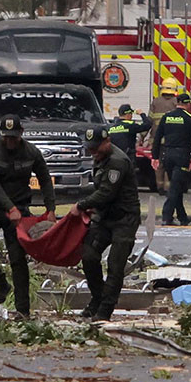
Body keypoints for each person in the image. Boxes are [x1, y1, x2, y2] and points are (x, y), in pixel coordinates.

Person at [0, 114, 55, 319]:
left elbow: (44, 178)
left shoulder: (31, 152)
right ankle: (0, 283)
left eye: (14, 138)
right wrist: (9, 207)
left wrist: (50, 209)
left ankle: (23, 310)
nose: (10, 142)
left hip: (20, 209)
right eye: (6, 137)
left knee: (18, 259)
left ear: (21, 134)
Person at [69, 127, 140, 322]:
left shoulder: (117, 161)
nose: (94, 153)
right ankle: (98, 299)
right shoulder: (100, 157)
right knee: (89, 255)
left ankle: (104, 310)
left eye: (97, 148)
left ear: (107, 142)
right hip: (104, 217)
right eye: (91, 149)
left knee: (115, 265)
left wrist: (82, 205)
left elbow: (106, 192)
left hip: (124, 219)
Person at [151, 93, 191, 226]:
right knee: (174, 187)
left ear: (177, 102)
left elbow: (157, 138)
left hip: (167, 154)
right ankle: (166, 216)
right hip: (181, 155)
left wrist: (155, 156)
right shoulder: (190, 119)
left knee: (176, 185)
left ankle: (182, 217)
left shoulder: (166, 117)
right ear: (188, 104)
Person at [149, 78, 179, 193]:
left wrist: (141, 137)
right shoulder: (176, 102)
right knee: (169, 164)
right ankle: (167, 187)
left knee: (158, 163)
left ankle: (159, 186)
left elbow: (149, 120)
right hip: (171, 140)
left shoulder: (156, 102)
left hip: (156, 140)